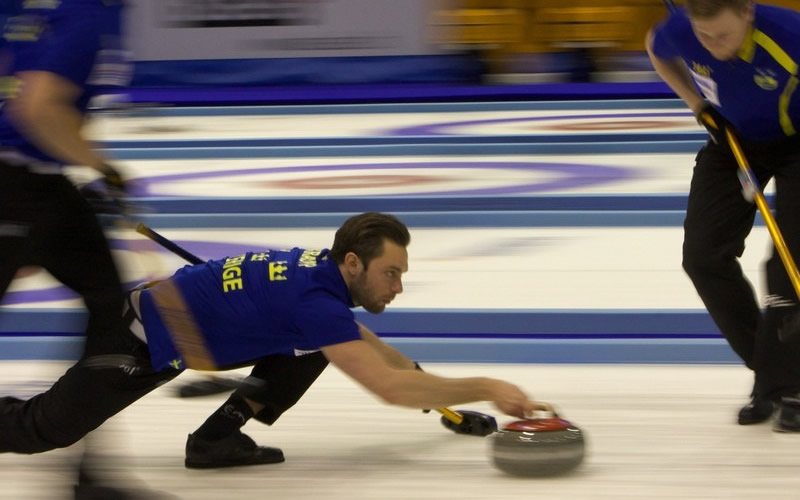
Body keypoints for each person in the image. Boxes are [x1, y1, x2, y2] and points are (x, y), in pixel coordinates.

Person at [0, 212, 548, 470]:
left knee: (313, 348)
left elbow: (375, 352)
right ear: (354, 262)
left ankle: (217, 438)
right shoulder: (316, 302)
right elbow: (385, 384)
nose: (398, 288)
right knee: (43, 430)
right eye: (391, 274)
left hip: (169, 332)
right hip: (134, 340)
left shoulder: (322, 282)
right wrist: (490, 386)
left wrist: (450, 409)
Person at [0, 1, 167, 497]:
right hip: (18, 184)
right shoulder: (87, 13)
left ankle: (89, 471)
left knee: (115, 310)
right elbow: (37, 106)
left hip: (42, 185)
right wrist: (102, 165)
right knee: (115, 312)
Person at [646, 0, 800, 431]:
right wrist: (697, 104)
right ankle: (772, 374)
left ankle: (792, 384)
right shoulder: (683, 30)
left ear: (747, 13)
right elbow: (656, 47)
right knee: (703, 257)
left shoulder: (790, 36)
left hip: (797, 140)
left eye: (724, 36)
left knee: (789, 263)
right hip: (732, 138)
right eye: (704, 37)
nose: (713, 46)